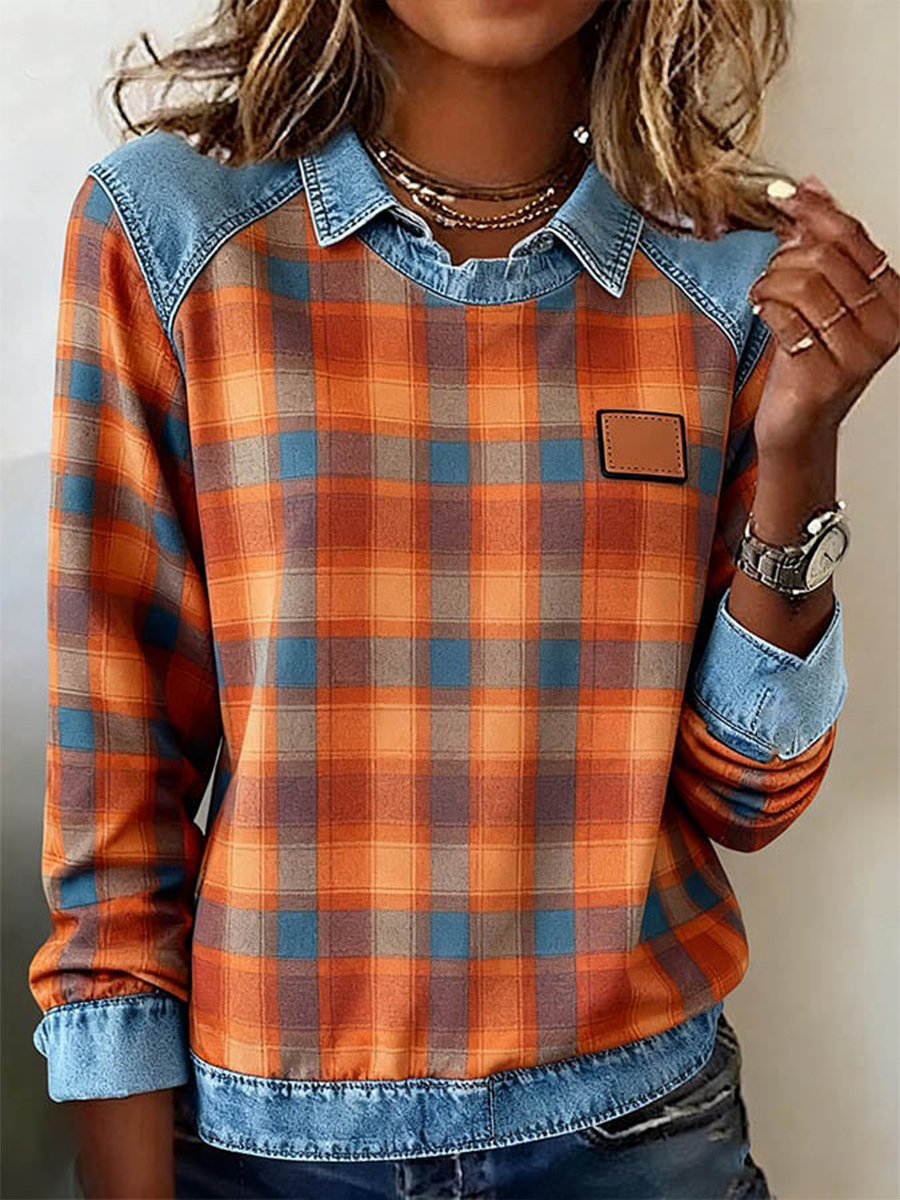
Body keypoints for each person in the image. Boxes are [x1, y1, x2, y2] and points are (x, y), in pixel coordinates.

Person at [27, 1, 898, 1197]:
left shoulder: (732, 274)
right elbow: (114, 782)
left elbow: (745, 800)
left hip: (638, 1131)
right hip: (267, 1150)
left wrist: (800, 460)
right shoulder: (171, 232)